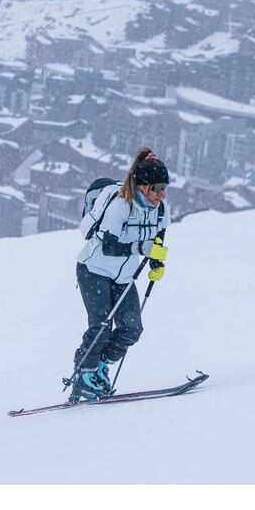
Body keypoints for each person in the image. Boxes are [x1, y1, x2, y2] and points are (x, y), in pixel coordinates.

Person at [70, 147, 170, 400]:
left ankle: (99, 367)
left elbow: (158, 238)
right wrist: (140, 247)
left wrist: (156, 262)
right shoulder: (121, 205)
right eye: (156, 187)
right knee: (101, 326)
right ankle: (84, 374)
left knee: (132, 329)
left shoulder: (161, 209)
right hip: (94, 270)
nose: (161, 193)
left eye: (164, 187)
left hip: (124, 277)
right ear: (143, 185)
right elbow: (109, 245)